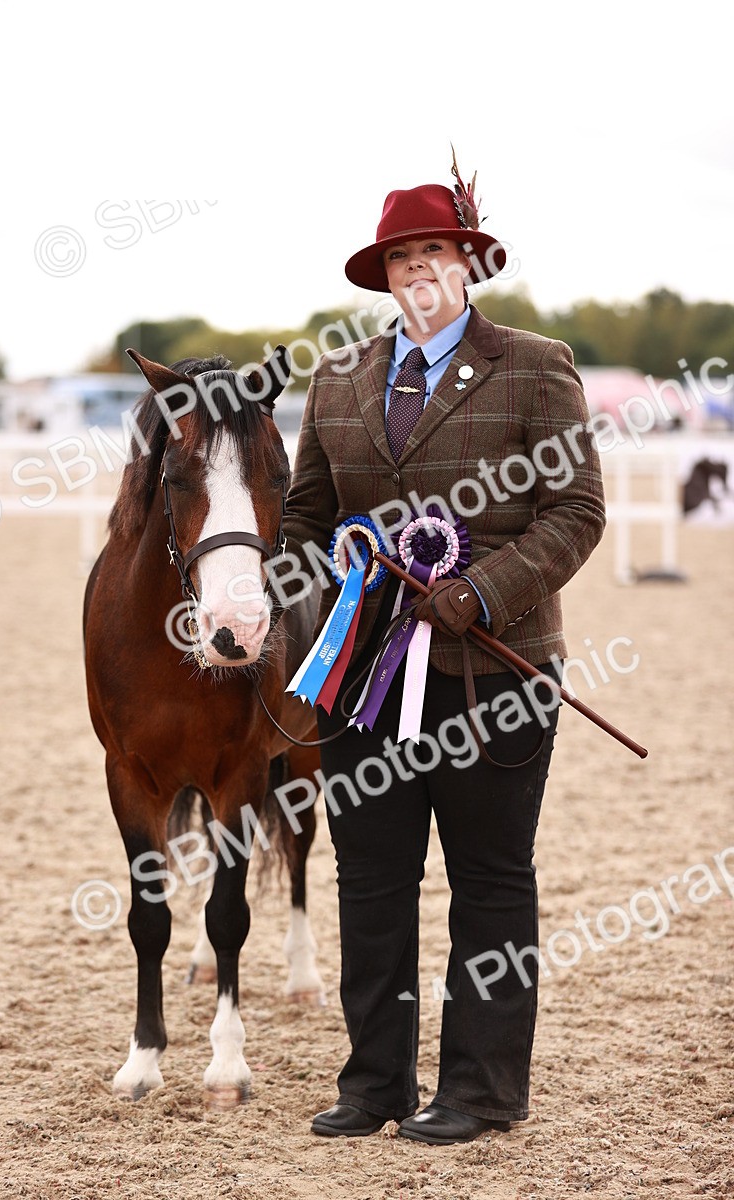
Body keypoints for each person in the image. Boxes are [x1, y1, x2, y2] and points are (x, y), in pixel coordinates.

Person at [281, 160, 606, 1145]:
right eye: (399, 259)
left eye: (432, 253)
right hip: (362, 685)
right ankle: (373, 1082)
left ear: (466, 261)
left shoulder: (534, 364)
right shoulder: (335, 379)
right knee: (370, 883)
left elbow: (574, 511)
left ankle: (478, 1089)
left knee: (488, 881)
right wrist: (317, 577)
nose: (416, 271)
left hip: (491, 677)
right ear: (381, 278)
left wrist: (479, 590)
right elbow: (303, 517)